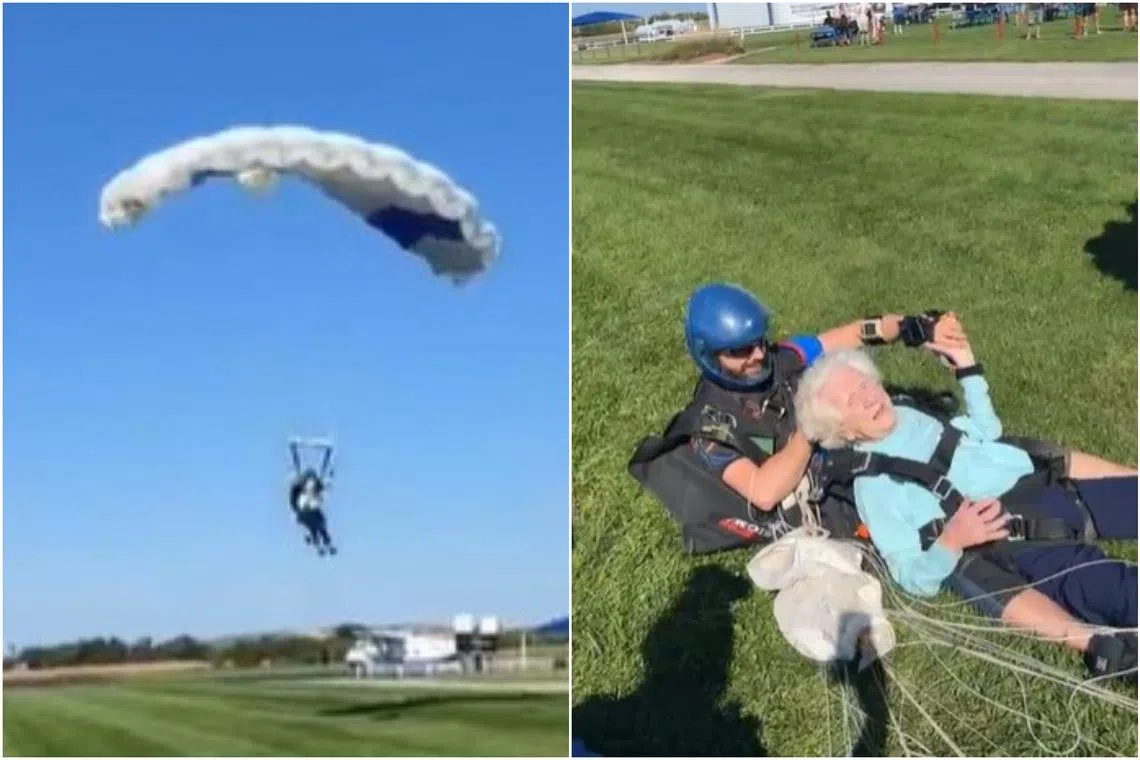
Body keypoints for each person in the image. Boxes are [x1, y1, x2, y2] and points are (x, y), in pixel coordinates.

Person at [792, 330, 1137, 680]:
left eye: (865, 384)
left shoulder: (913, 415)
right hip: (1026, 543)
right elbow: (910, 575)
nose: (869, 398)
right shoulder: (875, 487)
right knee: (1125, 592)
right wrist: (951, 542)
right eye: (853, 401)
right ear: (844, 432)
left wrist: (968, 370)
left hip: (1054, 491)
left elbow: (986, 430)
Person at [628, 282, 966, 554]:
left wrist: (912, 327)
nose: (758, 355)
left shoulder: (781, 358)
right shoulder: (710, 425)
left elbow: (853, 335)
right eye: (740, 351)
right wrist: (810, 428)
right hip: (825, 477)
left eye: (758, 342)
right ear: (709, 356)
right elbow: (762, 491)